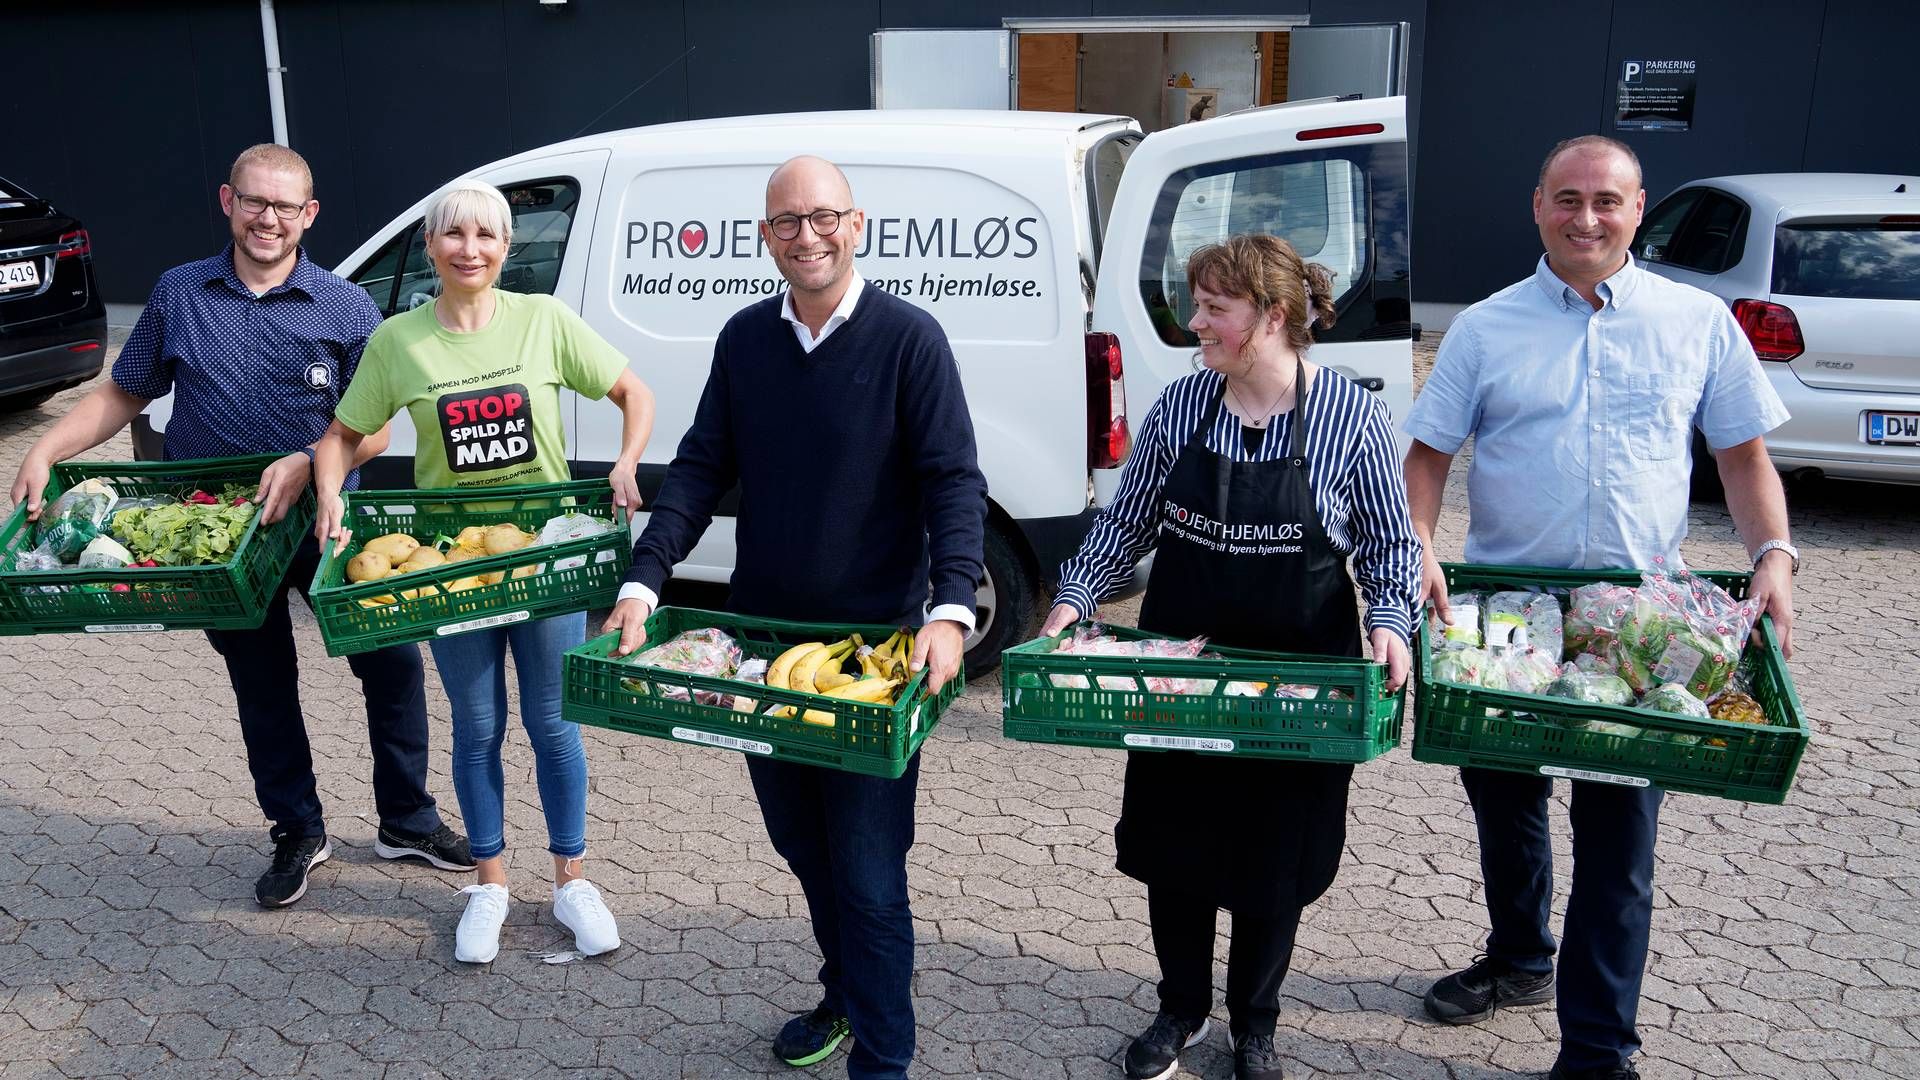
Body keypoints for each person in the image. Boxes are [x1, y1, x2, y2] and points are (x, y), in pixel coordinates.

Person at [1402, 135, 1797, 1080]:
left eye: (1607, 202)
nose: (1587, 218)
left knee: (1620, 840)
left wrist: (1772, 554)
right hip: (1504, 610)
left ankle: (1598, 1049)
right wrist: (1415, 543)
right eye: (1568, 199)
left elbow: (1742, 455)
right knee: (1506, 805)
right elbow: (1427, 457)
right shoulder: (1486, 328)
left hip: (1642, 623)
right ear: (1536, 205)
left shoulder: (1696, 321)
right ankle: (1519, 958)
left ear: (1637, 209)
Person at [600, 155, 987, 1080]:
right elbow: (698, 467)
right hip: (762, 654)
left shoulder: (909, 340)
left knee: (867, 872)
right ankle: (845, 994)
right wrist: (645, 581)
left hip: (871, 662)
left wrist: (951, 607)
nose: (805, 236)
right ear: (764, 234)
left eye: (823, 218)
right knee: (803, 848)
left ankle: (882, 1061)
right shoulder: (745, 340)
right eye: (786, 222)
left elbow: (952, 483)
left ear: (858, 226)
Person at [7, 144, 474, 908]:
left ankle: (407, 819)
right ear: (228, 200)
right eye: (256, 201)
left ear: (309, 215)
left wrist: (306, 457)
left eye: (286, 207)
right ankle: (297, 829)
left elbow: (378, 427)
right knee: (262, 682)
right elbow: (124, 394)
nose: (269, 219)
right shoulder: (179, 293)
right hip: (217, 534)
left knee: (390, 664)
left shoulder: (346, 306)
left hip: (327, 520)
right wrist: (47, 449)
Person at [1041, 233, 1421, 1080]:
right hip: (1183, 674)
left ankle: (1257, 1023)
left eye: (1216, 308)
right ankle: (1180, 1008)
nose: (1196, 321)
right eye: (1198, 303)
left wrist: (1391, 624)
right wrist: (1074, 598)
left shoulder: (1349, 418)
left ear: (1273, 316)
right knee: (1177, 846)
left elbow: (1391, 549)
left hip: (1301, 684)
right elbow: (1125, 525)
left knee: (1272, 858)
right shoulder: (1182, 406)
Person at [311, 179, 656, 965]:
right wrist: (329, 491)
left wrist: (628, 463)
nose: (471, 250)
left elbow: (634, 392)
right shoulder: (400, 341)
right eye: (455, 236)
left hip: (541, 561)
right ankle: (491, 885)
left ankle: (571, 881)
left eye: (488, 237)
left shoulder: (542, 321)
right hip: (449, 567)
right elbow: (341, 436)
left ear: (506, 249)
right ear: (431, 246)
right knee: (477, 728)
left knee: (553, 724)